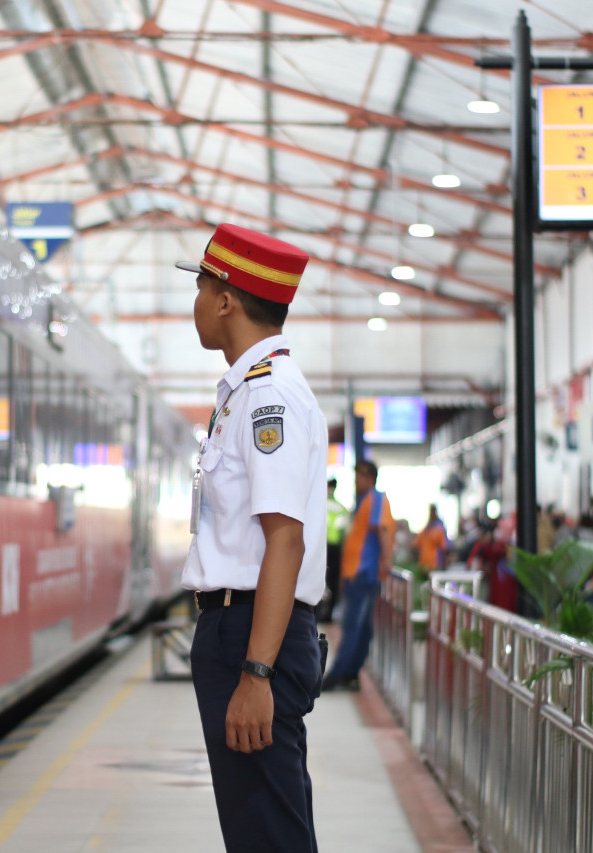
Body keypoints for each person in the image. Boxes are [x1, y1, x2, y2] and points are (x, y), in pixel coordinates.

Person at [177, 223, 327, 853]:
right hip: (238, 633)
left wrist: (257, 673)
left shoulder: (271, 399)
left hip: (252, 636)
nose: (196, 302)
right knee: (259, 830)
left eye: (202, 284)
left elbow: (283, 541)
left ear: (225, 299)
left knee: (268, 836)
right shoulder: (245, 392)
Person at [322, 459, 394, 691]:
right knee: (361, 627)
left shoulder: (375, 499)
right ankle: (350, 672)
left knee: (353, 625)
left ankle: (339, 673)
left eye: (359, 477)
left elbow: (382, 529)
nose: (355, 481)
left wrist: (386, 561)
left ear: (370, 478)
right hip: (357, 574)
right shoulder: (362, 502)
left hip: (364, 573)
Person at [320, 477, 346, 622]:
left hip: (322, 545)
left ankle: (318, 611)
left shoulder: (320, 503)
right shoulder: (341, 507)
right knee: (333, 580)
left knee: (320, 577)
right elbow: (344, 530)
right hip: (335, 547)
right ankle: (329, 614)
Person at [414, 504, 450, 572]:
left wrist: (444, 564)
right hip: (424, 564)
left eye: (432, 511)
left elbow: (444, 548)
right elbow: (416, 544)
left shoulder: (439, 528)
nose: (431, 513)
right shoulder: (426, 529)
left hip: (435, 564)